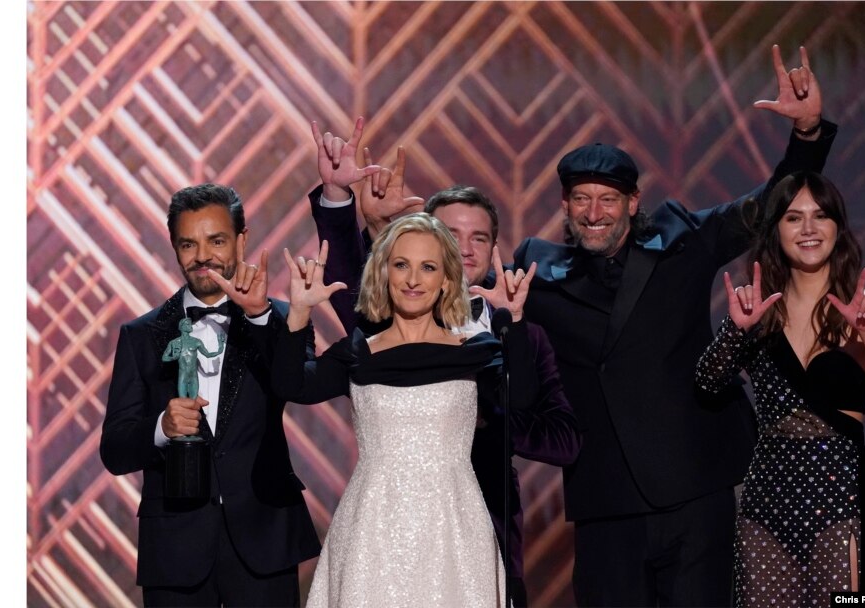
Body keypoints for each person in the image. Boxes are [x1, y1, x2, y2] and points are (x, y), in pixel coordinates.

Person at [508, 45, 836, 606]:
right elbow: (439, 283)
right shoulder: (534, 271)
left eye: (608, 200)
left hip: (694, 484)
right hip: (606, 496)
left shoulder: (680, 239)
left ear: (634, 202)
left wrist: (806, 137)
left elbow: (766, 207)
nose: (593, 214)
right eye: (581, 200)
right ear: (564, 203)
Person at [307, 121, 581, 606]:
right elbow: (352, 288)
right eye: (451, 234)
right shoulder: (389, 320)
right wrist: (341, 201)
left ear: (495, 248)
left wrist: (477, 411)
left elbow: (564, 439)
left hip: (484, 528)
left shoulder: (519, 332)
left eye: (479, 237)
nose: (465, 247)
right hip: (386, 537)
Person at [263, 213, 541, 607]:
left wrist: (514, 320)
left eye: (428, 267)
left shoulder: (476, 351)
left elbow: (525, 398)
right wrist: (299, 314)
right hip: (372, 531)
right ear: (384, 273)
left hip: (455, 529)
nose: (413, 279)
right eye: (401, 265)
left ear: (447, 279)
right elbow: (291, 386)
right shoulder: (358, 352)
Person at [695, 171, 865, 605]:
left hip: (840, 497)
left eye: (821, 216)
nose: (809, 229)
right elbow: (706, 382)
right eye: (794, 218)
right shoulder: (757, 308)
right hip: (766, 505)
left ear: (838, 227)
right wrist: (736, 332)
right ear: (776, 229)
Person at [99, 184, 320, 606]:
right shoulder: (141, 336)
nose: (202, 255)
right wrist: (161, 428)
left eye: (216, 240)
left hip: (264, 536)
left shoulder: (282, 320)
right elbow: (114, 450)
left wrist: (257, 318)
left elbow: (297, 384)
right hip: (175, 547)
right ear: (174, 247)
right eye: (188, 243)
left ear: (241, 240)